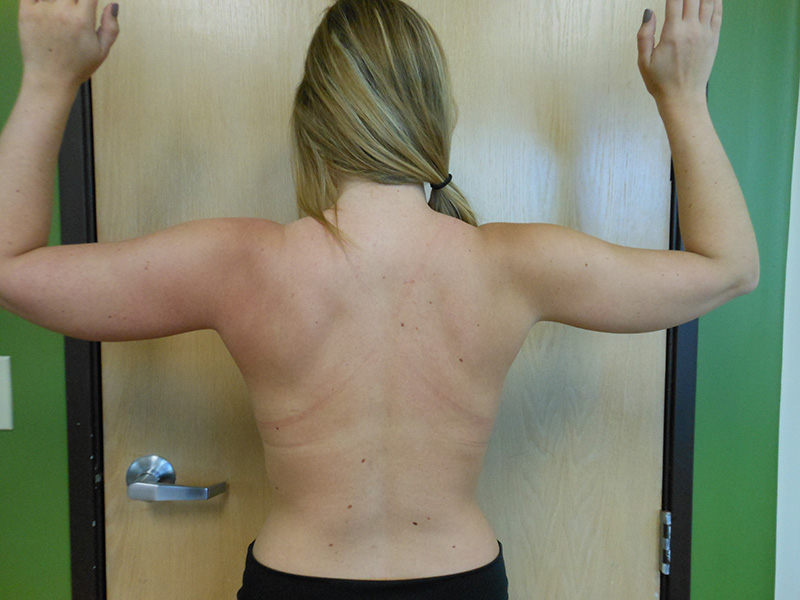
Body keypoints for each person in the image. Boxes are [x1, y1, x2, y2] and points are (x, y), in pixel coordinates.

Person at [0, 0, 757, 598]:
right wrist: (682, 95)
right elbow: (728, 267)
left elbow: (12, 265)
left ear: (313, 117)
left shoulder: (242, 263)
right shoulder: (510, 264)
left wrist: (49, 77)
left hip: (297, 585)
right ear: (437, 115)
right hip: (460, 585)